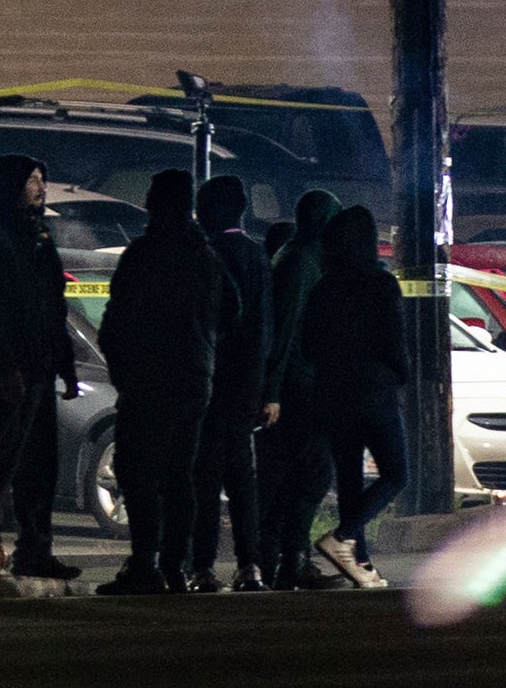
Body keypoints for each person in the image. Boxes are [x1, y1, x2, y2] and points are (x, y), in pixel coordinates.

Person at [0, 155, 79, 581]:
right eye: (32, 180)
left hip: (40, 365)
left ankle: (35, 549)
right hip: (12, 370)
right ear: (11, 185)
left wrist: (65, 363)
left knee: (40, 463)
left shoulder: (38, 234)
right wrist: (6, 368)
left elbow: (53, 303)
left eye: (43, 178)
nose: (41, 187)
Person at [98, 167, 222, 595]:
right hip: (192, 379)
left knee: (138, 470)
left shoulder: (142, 255)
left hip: (148, 379)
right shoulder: (203, 256)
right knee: (178, 474)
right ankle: (175, 565)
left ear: (153, 203)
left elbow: (115, 320)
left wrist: (122, 371)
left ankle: (145, 562)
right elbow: (232, 313)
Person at [292, 204, 405, 589]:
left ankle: (359, 562)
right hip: (373, 391)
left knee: (350, 478)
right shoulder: (381, 284)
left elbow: (307, 344)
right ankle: (344, 537)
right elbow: (393, 340)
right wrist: (399, 374)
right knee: (395, 473)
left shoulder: (325, 287)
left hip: (331, 392)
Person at [189, 174, 273, 590]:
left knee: (204, 478)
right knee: (242, 479)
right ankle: (249, 565)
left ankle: (202, 566)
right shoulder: (257, 258)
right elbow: (264, 330)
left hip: (209, 382)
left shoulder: (206, 256)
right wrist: (263, 388)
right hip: (245, 386)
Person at [255, 190, 336, 586]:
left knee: (291, 476)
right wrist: (271, 392)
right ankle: (292, 559)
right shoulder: (301, 262)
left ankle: (281, 558)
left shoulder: (296, 256)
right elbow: (284, 331)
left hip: (297, 386)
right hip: (298, 389)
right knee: (310, 474)